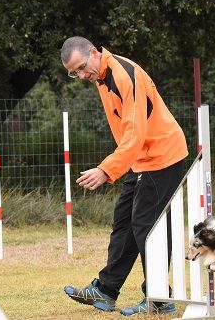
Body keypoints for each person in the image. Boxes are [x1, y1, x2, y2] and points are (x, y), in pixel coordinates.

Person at [60, 36, 188, 316]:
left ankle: (159, 298)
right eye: (75, 73)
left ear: (94, 52)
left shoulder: (124, 74)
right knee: (123, 222)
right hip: (139, 157)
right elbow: (128, 134)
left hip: (162, 154)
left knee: (145, 226)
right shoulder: (101, 76)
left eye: (82, 67)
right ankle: (106, 290)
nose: (82, 76)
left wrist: (107, 169)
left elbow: (135, 132)